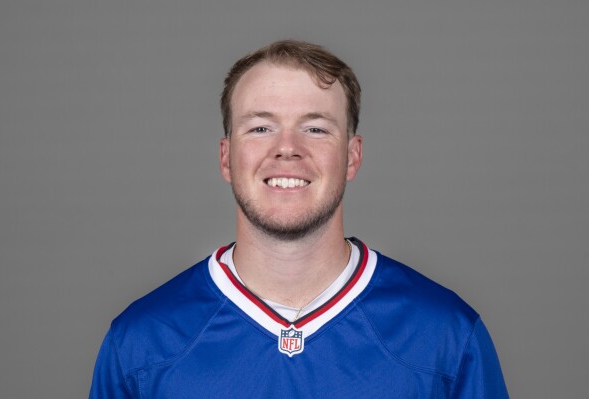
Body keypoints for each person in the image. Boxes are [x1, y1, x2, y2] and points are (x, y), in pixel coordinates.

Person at [90, 40, 509, 398]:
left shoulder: (445, 337)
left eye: (315, 129)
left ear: (352, 156)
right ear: (226, 157)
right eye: (259, 128)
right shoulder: (141, 343)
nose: (287, 148)